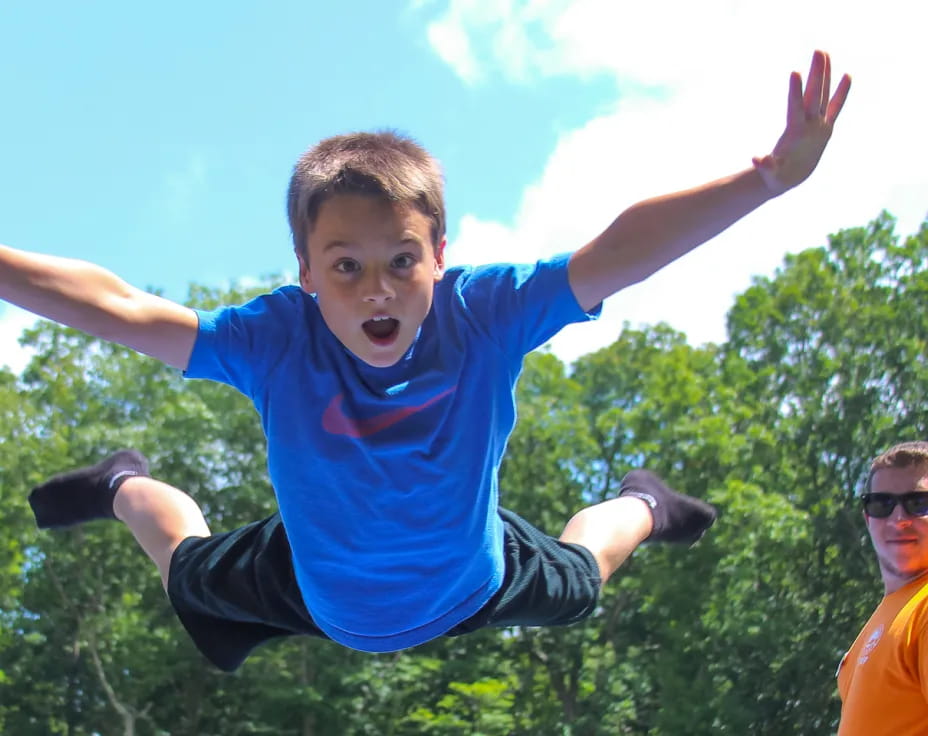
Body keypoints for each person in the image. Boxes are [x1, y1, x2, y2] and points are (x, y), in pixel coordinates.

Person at [4, 51, 850, 671]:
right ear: (304, 272)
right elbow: (115, 306)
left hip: (471, 578)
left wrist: (766, 181)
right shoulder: (274, 338)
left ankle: (645, 502)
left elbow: (617, 253)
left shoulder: (485, 313)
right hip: (313, 577)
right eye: (346, 266)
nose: (377, 289)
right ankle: (122, 480)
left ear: (439, 254)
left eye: (400, 261)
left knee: (583, 577)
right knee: (186, 569)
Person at [837, 441, 928, 734]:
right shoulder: (890, 616)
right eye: (881, 504)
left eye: (918, 503)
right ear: (867, 517)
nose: (898, 519)